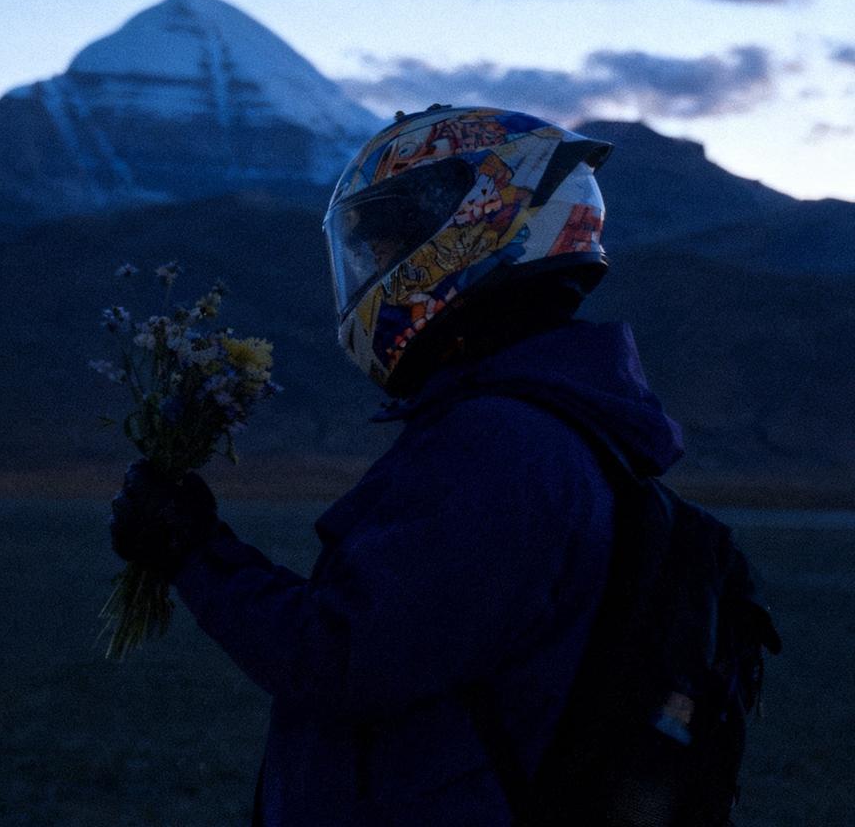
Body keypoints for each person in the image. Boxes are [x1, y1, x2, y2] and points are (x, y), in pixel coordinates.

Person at [110, 105, 685, 826]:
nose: (374, 266)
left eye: (387, 242)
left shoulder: (501, 446)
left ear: (476, 226)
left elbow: (344, 659)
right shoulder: (543, 428)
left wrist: (191, 550)